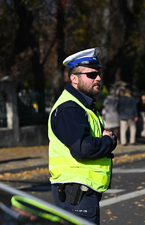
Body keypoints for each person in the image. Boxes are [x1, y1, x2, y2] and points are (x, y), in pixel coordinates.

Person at [48, 47, 117, 224]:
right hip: (76, 194)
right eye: (91, 75)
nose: (98, 78)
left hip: (80, 192)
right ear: (74, 79)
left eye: (98, 73)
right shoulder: (70, 108)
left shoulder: (83, 106)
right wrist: (108, 141)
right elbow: (82, 148)